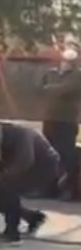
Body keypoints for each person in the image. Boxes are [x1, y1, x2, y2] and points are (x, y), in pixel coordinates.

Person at [0, 120, 58, 246]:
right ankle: (33, 218)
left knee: (7, 187)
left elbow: (25, 161)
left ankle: (12, 234)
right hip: (27, 167)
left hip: (45, 169)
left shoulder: (20, 135)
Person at [41, 48, 81, 199]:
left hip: (67, 120)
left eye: (70, 61)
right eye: (65, 60)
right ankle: (49, 188)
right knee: (48, 154)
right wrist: (52, 89)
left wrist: (50, 89)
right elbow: (38, 87)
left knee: (66, 155)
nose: (67, 63)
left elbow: (68, 89)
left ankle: (67, 189)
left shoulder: (77, 75)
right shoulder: (51, 73)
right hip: (50, 118)